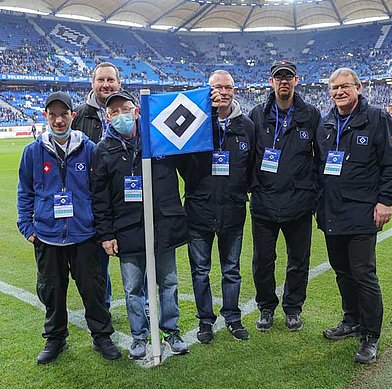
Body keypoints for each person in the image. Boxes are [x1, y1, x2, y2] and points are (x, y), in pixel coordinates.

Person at [17, 92, 120, 364]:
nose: (59, 120)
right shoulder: (32, 152)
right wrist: (27, 226)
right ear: (45, 116)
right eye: (53, 115)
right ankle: (55, 339)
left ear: (73, 116)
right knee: (52, 291)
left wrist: (100, 228)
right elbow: (24, 192)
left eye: (64, 114)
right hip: (48, 237)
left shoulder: (89, 149)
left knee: (93, 290)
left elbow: (100, 192)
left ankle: (101, 337)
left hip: (84, 235)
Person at [316, 68, 392, 364]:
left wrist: (386, 201)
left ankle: (370, 335)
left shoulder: (377, 118)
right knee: (342, 271)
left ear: (358, 87)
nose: (339, 92)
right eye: (334, 88)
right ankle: (351, 319)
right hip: (332, 211)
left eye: (345, 87)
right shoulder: (327, 122)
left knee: (363, 274)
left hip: (362, 212)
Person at [90, 90, 189, 360]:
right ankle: (139, 337)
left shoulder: (160, 139)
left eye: (125, 109)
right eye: (114, 112)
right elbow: (99, 197)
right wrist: (107, 234)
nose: (120, 115)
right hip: (127, 228)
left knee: (168, 282)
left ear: (137, 111)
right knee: (133, 288)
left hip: (162, 224)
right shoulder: (103, 150)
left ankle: (171, 331)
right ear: (107, 117)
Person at [179, 70, 255, 343]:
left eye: (228, 87)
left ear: (234, 90)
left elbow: (252, 167)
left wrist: (237, 192)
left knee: (231, 270)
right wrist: (209, 118)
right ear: (208, 91)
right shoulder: (196, 125)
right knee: (200, 271)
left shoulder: (247, 125)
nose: (223, 92)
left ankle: (232, 317)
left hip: (233, 211)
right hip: (199, 211)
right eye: (217, 88)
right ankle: (205, 321)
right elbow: (184, 164)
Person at [248, 60, 321, 332]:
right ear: (271, 82)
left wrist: (312, 194)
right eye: (279, 77)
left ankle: (293, 308)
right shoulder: (257, 114)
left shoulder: (310, 115)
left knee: (299, 260)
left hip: (299, 204)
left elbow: (321, 158)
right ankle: (266, 307)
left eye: (288, 77)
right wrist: (254, 187)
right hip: (265, 203)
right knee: (263, 261)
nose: (284, 82)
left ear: (296, 81)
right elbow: (249, 157)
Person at [72, 62, 122, 308]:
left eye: (110, 80)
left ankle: (144, 307)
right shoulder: (80, 115)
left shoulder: (131, 112)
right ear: (92, 84)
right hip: (92, 204)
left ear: (118, 83)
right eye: (101, 80)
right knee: (97, 263)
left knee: (136, 259)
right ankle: (105, 307)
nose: (106, 85)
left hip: (127, 202)